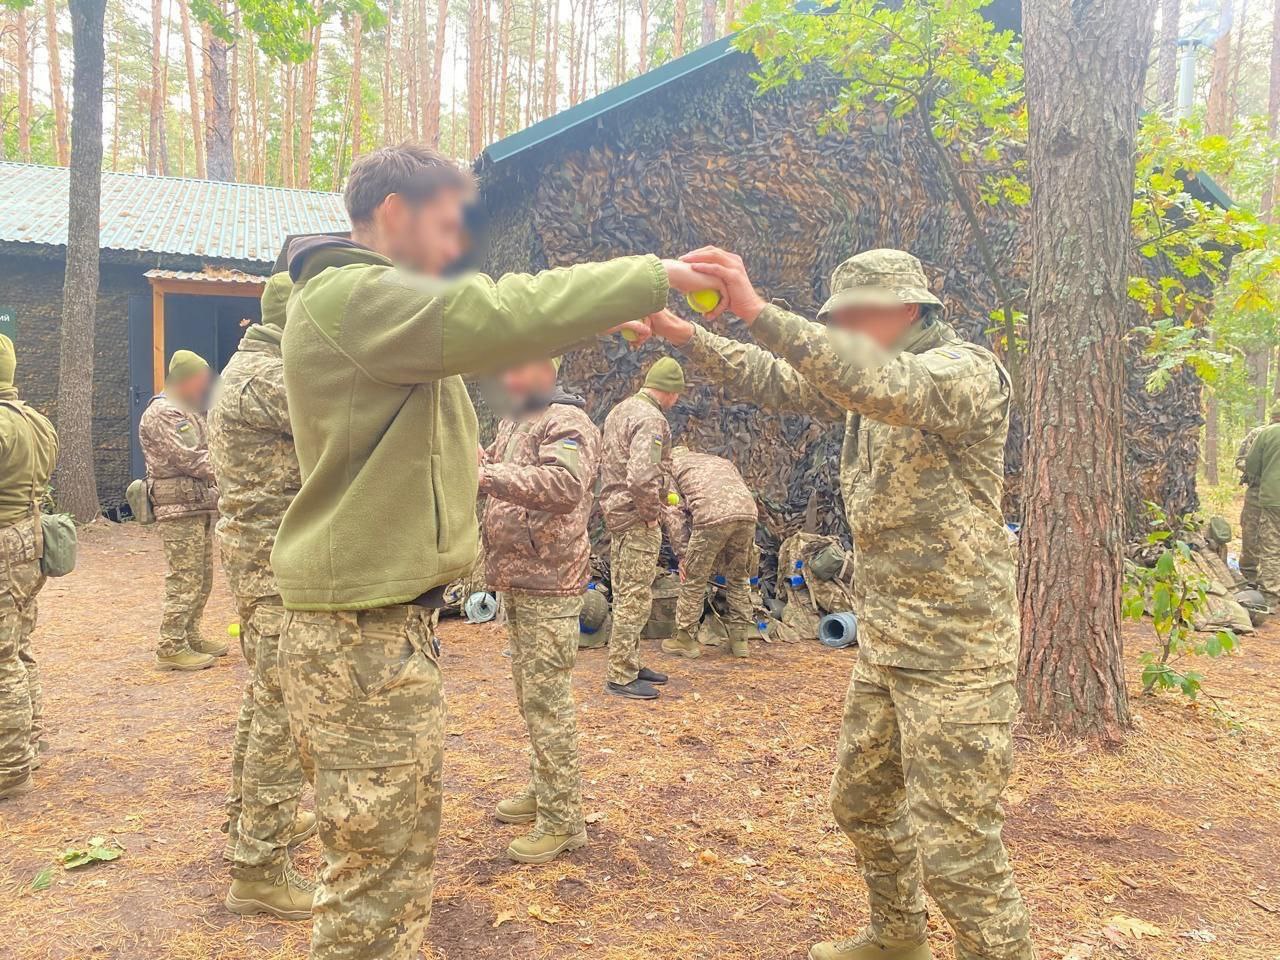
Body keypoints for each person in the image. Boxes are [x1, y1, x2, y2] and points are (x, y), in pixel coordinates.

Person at [270, 143, 720, 960]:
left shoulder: (371, 310)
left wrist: (584, 317)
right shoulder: (358, 297)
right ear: (396, 214)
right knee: (373, 884)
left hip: (378, 627)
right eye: (449, 223)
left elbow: (493, 339)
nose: (458, 246)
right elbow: (501, 311)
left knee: (393, 861)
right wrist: (651, 275)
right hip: (359, 636)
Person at [642, 247, 1034, 960]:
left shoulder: (962, 374)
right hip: (887, 643)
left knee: (959, 851)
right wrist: (684, 335)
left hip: (957, 654)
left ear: (912, 308)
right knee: (860, 804)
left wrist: (759, 310)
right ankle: (897, 936)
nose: (845, 329)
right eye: (838, 318)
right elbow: (780, 377)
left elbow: (886, 383)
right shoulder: (860, 380)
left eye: (860, 314)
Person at [208, 273, 316, 919]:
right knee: (282, 712)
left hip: (262, 566)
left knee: (263, 698)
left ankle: (246, 825)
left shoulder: (243, 371)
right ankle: (258, 869)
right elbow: (344, 413)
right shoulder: (271, 379)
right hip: (275, 570)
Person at [480, 355, 599, 865]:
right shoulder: (516, 417)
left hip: (551, 581)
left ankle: (563, 819)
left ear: (547, 368)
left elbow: (564, 486)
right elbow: (500, 469)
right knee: (531, 696)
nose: (508, 375)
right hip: (518, 579)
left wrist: (489, 475)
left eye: (520, 366)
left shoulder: (566, 421)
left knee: (548, 702)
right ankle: (544, 787)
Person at [597, 357, 686, 699]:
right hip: (636, 518)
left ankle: (630, 662)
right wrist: (651, 513)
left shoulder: (621, 410)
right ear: (671, 392)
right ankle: (621, 674)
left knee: (626, 593)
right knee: (634, 597)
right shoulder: (651, 419)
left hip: (618, 514)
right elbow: (640, 475)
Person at [139, 349, 225, 671]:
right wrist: (235, 467)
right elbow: (192, 457)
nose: (205, 387)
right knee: (185, 578)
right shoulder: (164, 413)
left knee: (201, 578)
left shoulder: (186, 411)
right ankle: (171, 645)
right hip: (178, 506)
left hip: (198, 503)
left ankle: (191, 634)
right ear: (186, 379)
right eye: (201, 381)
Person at [0, 335, 58, 801]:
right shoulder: (38, 422)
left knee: (2, 661)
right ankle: (29, 738)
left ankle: (10, 768)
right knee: (18, 647)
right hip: (27, 540)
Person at [659, 446, 758, 658]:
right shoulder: (717, 461)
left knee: (694, 579)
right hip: (748, 513)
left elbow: (674, 513)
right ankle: (740, 639)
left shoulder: (670, 468)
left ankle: (685, 639)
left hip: (711, 515)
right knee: (739, 577)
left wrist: (684, 554)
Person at [1235, 408, 1275, 587]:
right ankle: (1248, 577)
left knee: (1271, 542)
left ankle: (1269, 582)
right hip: (1256, 493)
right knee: (1251, 534)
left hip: (1272, 495)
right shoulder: (1258, 434)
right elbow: (1242, 461)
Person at [1243, 413, 1280, 607]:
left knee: (1271, 546)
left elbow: (1251, 465)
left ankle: (1271, 597)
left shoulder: (1266, 434)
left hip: (1273, 498)